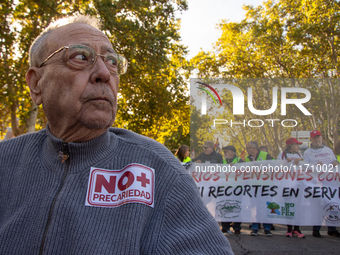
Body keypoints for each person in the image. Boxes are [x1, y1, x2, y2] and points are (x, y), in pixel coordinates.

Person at [0, 15, 234, 254]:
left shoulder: (159, 170)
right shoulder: (4, 161)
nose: (104, 72)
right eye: (81, 57)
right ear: (36, 83)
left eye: (112, 61)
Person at [303, 130, 340, 238]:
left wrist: (335, 162)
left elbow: (335, 161)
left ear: (322, 138)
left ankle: (332, 229)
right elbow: (306, 167)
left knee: (332, 205)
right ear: (311, 139)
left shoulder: (328, 150)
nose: (317, 140)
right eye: (314, 138)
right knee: (318, 207)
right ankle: (316, 229)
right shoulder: (307, 152)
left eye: (318, 137)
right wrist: (314, 165)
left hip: (331, 183)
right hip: (317, 183)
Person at [277, 138, 305, 238]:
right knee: (288, 206)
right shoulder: (282, 155)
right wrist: (285, 162)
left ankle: (297, 229)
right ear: (290, 145)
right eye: (296, 145)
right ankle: (289, 228)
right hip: (286, 185)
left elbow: (306, 166)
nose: (298, 147)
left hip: (298, 185)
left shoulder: (300, 155)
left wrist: (300, 161)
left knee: (297, 206)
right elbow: (276, 166)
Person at [245, 141, 274, 236]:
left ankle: (267, 228)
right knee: (254, 207)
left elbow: (274, 165)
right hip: (253, 186)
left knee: (265, 207)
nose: (247, 150)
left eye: (248, 148)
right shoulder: (247, 158)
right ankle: (254, 227)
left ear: (254, 148)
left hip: (265, 186)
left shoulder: (265, 155)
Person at [221, 145, 244, 235]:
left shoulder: (240, 161)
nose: (225, 153)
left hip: (237, 188)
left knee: (237, 206)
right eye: (224, 151)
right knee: (225, 206)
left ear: (232, 152)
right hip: (225, 189)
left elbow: (244, 171)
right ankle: (225, 226)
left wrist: (236, 166)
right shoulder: (222, 162)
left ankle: (237, 226)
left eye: (226, 151)